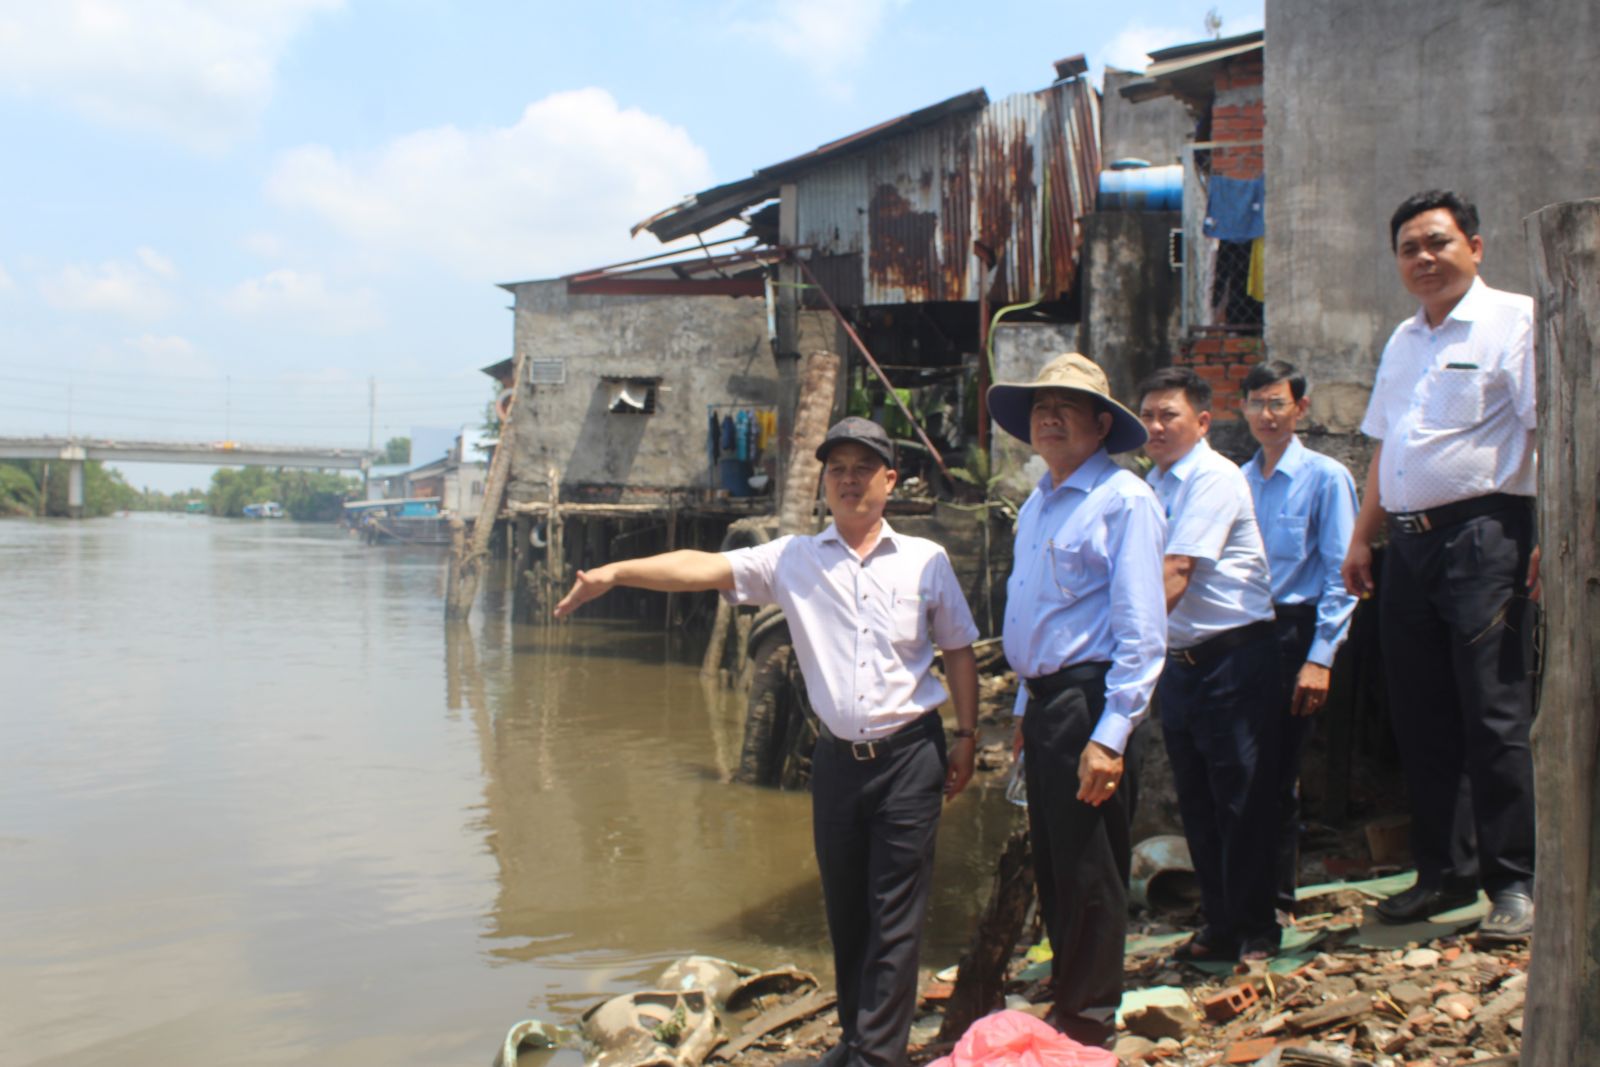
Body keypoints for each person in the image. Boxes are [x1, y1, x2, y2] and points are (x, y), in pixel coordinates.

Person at [554, 416, 980, 1067]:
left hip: (910, 756)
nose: (848, 479)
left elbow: (957, 648)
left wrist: (968, 736)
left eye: (863, 468)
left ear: (890, 481)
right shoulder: (794, 559)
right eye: (836, 468)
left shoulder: (927, 560)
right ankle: (857, 1037)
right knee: (845, 906)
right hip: (837, 762)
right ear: (823, 483)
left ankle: (879, 1054)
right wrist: (617, 570)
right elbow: (701, 567)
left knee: (895, 912)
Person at [1340, 190, 1539, 941]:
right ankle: (1442, 872)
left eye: (1437, 243)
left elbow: (1545, 426)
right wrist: (1364, 537)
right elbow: (1388, 444)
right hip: (1411, 545)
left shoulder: (1510, 320)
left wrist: (1554, 530)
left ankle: (1513, 882)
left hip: (1486, 533)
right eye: (1408, 249)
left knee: (1493, 710)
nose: (1423, 259)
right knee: (1419, 713)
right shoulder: (1403, 338)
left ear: (1475, 247)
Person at [986, 353, 1167, 1048]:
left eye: (1065, 406)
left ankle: (1090, 1021)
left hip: (1093, 697)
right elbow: (1034, 617)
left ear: (1100, 423)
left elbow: (1143, 630)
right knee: (1058, 860)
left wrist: (1111, 732)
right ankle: (1069, 999)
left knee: (1092, 867)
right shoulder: (1037, 501)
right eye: (1040, 406)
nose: (1049, 417)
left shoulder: (1124, 499)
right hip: (1048, 701)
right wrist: (1026, 716)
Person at [1138, 366, 1281, 961]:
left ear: (1201, 422)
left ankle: (1257, 929)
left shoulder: (1214, 479)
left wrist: (1123, 649)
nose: (1154, 426)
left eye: (1167, 415)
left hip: (1234, 657)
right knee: (1196, 799)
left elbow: (1176, 573)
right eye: (1146, 415)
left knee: (1242, 799)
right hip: (1182, 661)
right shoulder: (1152, 483)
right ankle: (1219, 925)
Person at [1239, 361, 1359, 914]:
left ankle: (1277, 900)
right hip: (1240, 637)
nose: (1266, 415)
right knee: (1240, 771)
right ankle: (1239, 897)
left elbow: (1342, 575)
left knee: (1279, 772)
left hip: (1294, 634)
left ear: (1300, 409)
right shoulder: (1235, 482)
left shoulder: (1326, 477)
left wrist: (1320, 657)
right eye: (1256, 403)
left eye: (1277, 403)